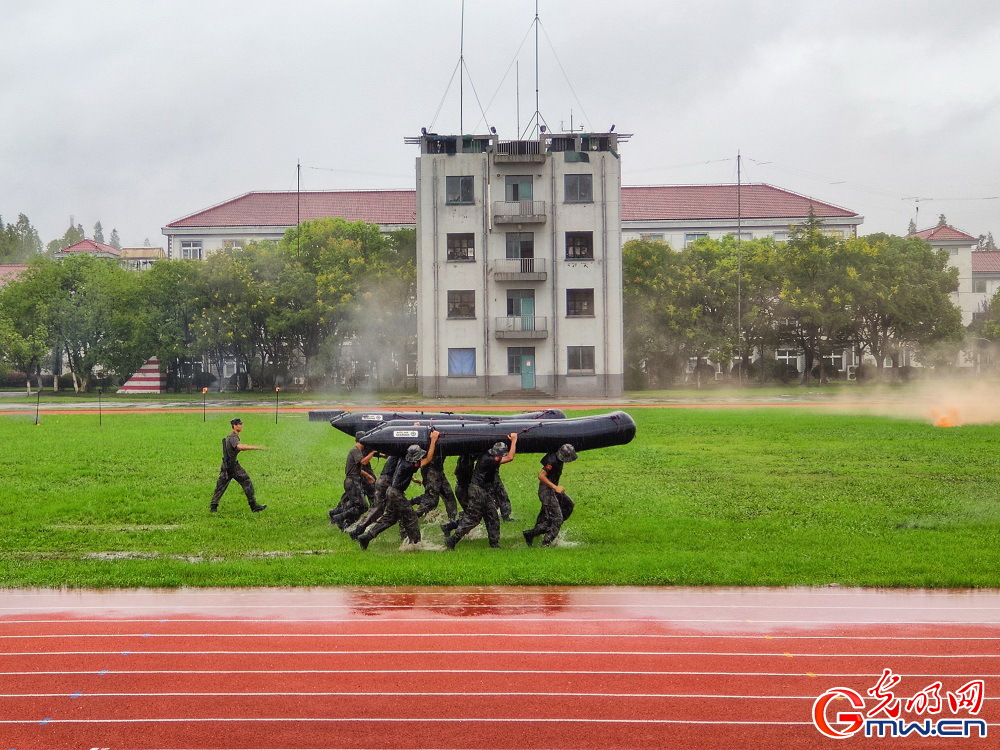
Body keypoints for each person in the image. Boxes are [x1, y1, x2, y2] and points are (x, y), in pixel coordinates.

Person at [356, 431, 440, 550]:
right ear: (415, 458)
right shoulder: (411, 465)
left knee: (390, 518)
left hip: (391, 491)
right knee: (411, 517)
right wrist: (433, 440)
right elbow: (429, 458)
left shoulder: (403, 458)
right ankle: (415, 543)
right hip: (396, 493)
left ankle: (366, 537)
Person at [442, 433, 517, 550]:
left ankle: (494, 543)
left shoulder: (488, 454)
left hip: (484, 490)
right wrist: (514, 440)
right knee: (473, 519)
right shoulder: (489, 459)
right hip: (478, 490)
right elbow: (510, 457)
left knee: (492, 516)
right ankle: (452, 540)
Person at [523, 443, 577, 546]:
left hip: (553, 490)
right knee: (557, 519)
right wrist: (555, 487)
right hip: (546, 491)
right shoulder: (552, 461)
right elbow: (541, 476)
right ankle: (546, 543)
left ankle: (532, 533)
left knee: (568, 505)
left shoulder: (557, 453)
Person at [210, 418, 267, 513]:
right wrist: (256, 447)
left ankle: (213, 507)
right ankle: (253, 506)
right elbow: (240, 447)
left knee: (221, 485)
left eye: (241, 424)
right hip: (231, 466)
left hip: (228, 465)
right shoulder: (233, 437)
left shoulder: (232, 436)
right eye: (239, 424)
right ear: (235, 426)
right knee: (246, 481)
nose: (241, 425)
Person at [329, 432, 376, 530]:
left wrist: (368, 476)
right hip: (352, 482)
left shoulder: (357, 450)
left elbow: (358, 468)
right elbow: (363, 462)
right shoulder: (355, 450)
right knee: (360, 506)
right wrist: (373, 452)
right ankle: (339, 517)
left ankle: (341, 518)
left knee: (358, 505)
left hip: (354, 481)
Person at [349, 453, 398, 539]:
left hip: (385, 481)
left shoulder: (397, 452)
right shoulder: (401, 453)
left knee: (380, 509)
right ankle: (360, 530)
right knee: (379, 509)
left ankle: (361, 530)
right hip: (386, 482)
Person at [414, 451, 459, 522]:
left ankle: (452, 523)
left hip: (438, 470)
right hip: (430, 471)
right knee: (431, 501)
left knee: (449, 497)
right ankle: (409, 516)